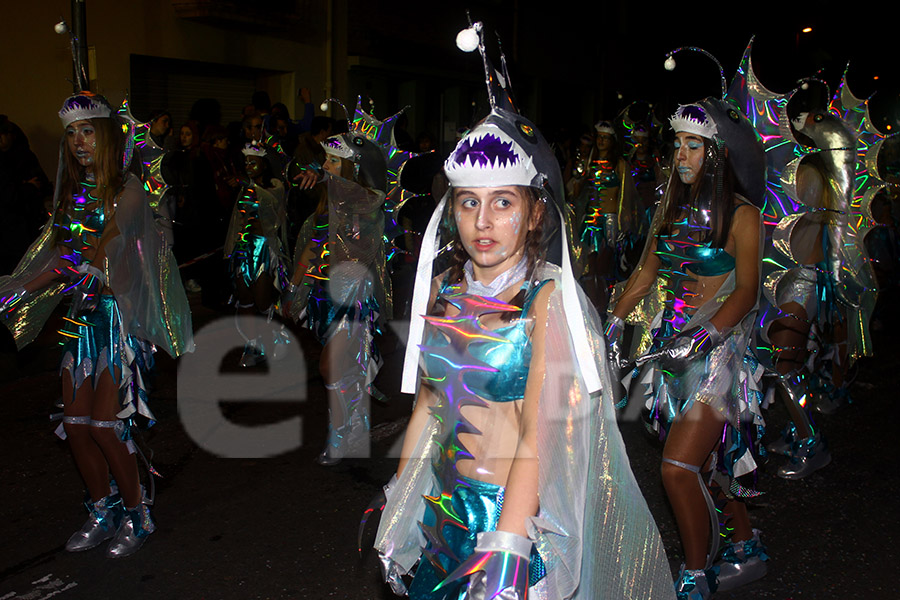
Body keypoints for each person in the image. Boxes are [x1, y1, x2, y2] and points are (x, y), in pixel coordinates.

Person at [373, 22, 673, 600]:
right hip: (443, 516)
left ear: (535, 213)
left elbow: (542, 437)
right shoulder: (445, 292)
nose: (483, 222)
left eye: (502, 202)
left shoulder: (546, 302)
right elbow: (430, 410)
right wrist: (400, 500)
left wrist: (505, 551)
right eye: (469, 203)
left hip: (508, 523)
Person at [0, 91, 192, 557]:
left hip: (119, 323)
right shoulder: (74, 197)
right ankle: (102, 508)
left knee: (107, 425)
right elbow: (55, 249)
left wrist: (39, 280)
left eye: (87, 131)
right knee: (76, 423)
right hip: (81, 320)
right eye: (71, 134)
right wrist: (20, 285)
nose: (79, 142)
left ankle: (138, 513)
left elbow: (101, 248)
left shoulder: (128, 193)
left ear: (106, 136)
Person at [608, 100, 767, 598]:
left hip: (717, 358)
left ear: (716, 153)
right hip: (670, 350)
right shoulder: (670, 207)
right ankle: (746, 544)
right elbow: (646, 272)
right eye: (677, 143)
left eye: (692, 144)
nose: (680, 153)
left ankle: (697, 574)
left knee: (677, 468)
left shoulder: (743, 215)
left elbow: (747, 291)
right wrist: (610, 324)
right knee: (703, 462)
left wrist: (705, 336)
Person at [285, 99, 401, 466]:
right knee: (345, 369)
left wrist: (324, 178)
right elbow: (308, 251)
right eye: (325, 161)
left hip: (353, 298)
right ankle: (352, 426)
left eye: (333, 161)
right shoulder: (324, 206)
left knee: (329, 368)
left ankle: (342, 433)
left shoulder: (368, 201)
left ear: (351, 167)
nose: (325, 166)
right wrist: (292, 290)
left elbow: (354, 200)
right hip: (323, 298)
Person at [224, 141, 289, 366]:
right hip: (244, 247)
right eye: (246, 162)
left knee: (263, 299)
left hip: (265, 249)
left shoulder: (275, 185)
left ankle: (274, 336)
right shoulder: (245, 188)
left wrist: (249, 184)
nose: (249, 165)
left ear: (265, 164)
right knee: (245, 298)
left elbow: (270, 204)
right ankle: (252, 344)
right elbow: (238, 219)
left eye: (254, 162)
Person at [569, 120, 638, 311]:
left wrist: (624, 221)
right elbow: (576, 192)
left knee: (605, 267)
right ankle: (591, 306)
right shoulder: (589, 161)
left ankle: (604, 306)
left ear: (612, 141)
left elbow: (627, 195)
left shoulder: (619, 164)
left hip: (609, 219)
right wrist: (579, 176)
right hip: (590, 219)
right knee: (588, 267)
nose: (601, 141)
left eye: (605, 138)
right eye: (599, 137)